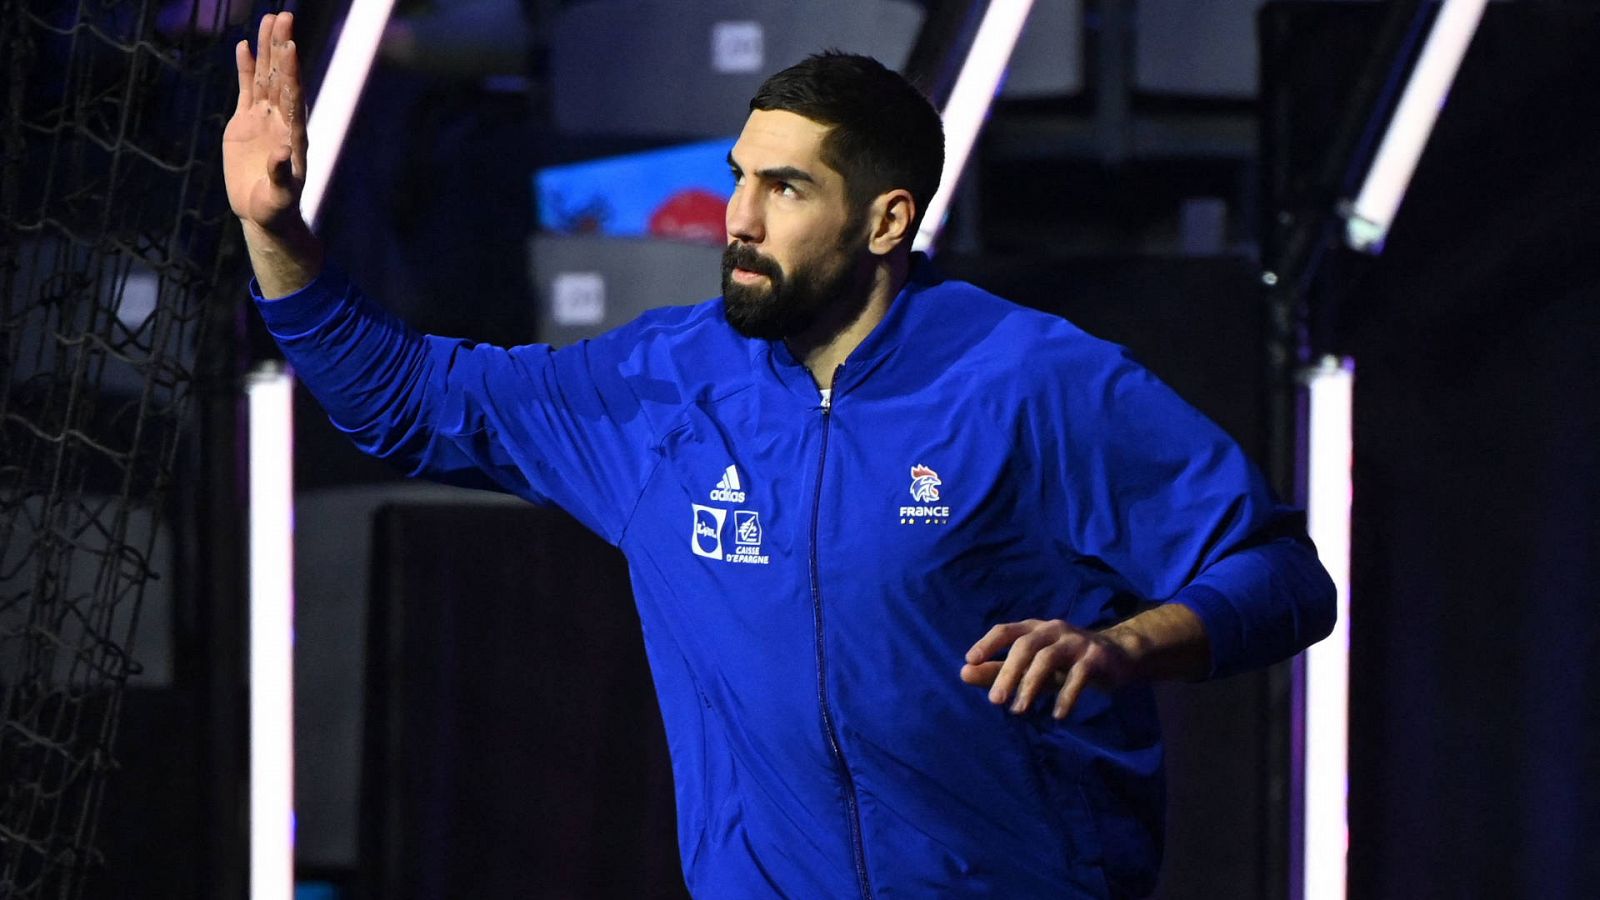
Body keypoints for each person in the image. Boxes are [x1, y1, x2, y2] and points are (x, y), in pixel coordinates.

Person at [226, 12, 1335, 898]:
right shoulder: (658, 385)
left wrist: (1126, 646)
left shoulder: (1036, 384)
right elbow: (405, 403)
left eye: (787, 188)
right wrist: (275, 230)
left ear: (886, 220)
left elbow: (1282, 577)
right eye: (740, 176)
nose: (737, 216)